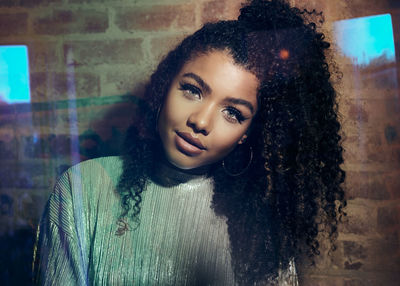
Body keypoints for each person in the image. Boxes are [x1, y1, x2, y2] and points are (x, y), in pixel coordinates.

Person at [33, 0, 346, 285]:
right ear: (165, 85)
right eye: (193, 90)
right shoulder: (82, 190)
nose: (201, 121)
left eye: (233, 113)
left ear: (248, 133)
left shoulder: (260, 230)